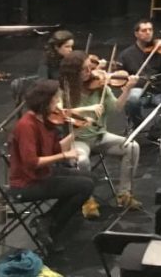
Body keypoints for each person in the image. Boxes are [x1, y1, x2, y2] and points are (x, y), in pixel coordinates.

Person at [8, 80, 96, 252]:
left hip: (43, 173)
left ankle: (47, 220)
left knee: (90, 178)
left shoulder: (46, 121)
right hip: (26, 183)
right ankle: (51, 228)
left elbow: (56, 148)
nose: (59, 105)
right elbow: (31, 162)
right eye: (56, 100)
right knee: (85, 186)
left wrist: (77, 131)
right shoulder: (27, 125)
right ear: (45, 101)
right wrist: (64, 156)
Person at [57, 52, 142, 217]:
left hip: (99, 135)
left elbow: (116, 108)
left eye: (90, 67)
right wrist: (87, 109)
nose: (91, 72)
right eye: (84, 69)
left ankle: (124, 193)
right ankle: (87, 200)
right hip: (78, 139)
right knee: (82, 160)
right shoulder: (64, 90)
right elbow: (60, 112)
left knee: (132, 147)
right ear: (74, 73)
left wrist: (127, 90)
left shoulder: (101, 87)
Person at [118, 20, 161, 129]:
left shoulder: (159, 52)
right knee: (132, 100)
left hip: (158, 91)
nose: (148, 32)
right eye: (144, 30)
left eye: (150, 30)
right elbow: (120, 76)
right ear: (136, 34)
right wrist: (126, 85)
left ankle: (157, 128)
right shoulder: (126, 55)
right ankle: (138, 125)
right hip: (138, 89)